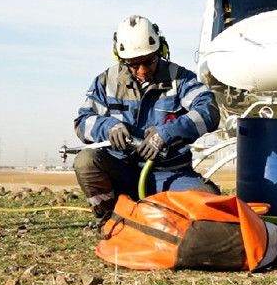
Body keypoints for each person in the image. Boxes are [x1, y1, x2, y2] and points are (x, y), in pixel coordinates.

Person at [73, 15, 221, 222]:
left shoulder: (180, 79)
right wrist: (108, 127)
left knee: (209, 200)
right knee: (86, 161)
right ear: (121, 59)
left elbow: (210, 111)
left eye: (149, 61)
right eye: (134, 65)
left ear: (160, 51)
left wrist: (167, 133)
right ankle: (108, 220)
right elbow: (82, 122)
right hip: (122, 172)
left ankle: (159, 209)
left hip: (169, 174)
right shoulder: (106, 81)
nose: (142, 71)